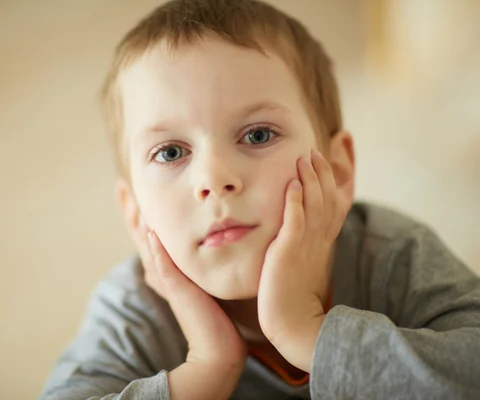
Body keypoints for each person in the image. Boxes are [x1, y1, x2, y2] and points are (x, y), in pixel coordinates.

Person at [40, 1, 480, 399]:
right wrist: (208, 368)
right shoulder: (135, 309)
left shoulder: (391, 255)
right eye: (171, 152)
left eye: (257, 135)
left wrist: (308, 333)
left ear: (339, 171)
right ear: (135, 214)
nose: (214, 179)